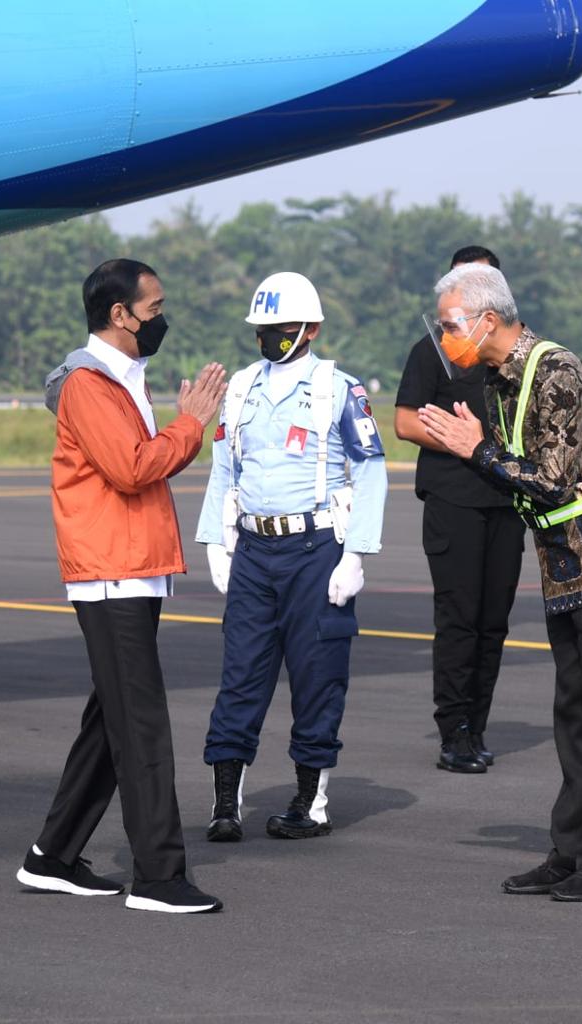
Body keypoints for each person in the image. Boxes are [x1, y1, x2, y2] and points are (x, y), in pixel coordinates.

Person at [419, 264, 582, 902]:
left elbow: (553, 479)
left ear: (488, 320)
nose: (446, 339)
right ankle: (571, 848)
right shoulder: (500, 377)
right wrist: (478, 449)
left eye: (451, 326)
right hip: (567, 563)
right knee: (574, 714)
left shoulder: (552, 370)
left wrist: (477, 450)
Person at [16, 259, 227, 914]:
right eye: (154, 308)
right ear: (119, 315)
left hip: (128, 567)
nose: (161, 317)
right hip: (111, 572)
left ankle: (52, 856)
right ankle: (160, 877)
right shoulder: (89, 383)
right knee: (140, 726)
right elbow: (132, 468)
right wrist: (190, 423)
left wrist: (184, 425)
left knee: (112, 719)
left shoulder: (118, 378)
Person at [196, 271, 387, 841]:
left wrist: (356, 554)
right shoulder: (241, 387)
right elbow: (224, 468)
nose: (271, 335)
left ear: (311, 329)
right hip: (253, 549)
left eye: (282, 326)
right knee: (241, 676)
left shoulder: (339, 388)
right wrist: (213, 540)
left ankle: (311, 803)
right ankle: (225, 805)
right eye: (264, 327)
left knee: (318, 675)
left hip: (314, 549)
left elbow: (371, 471)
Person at [395, 246, 524, 773]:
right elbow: (404, 422)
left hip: (507, 499)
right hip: (454, 499)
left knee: (494, 622)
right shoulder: (433, 351)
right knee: (459, 619)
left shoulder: (517, 357)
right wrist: (465, 443)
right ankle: (454, 731)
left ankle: (479, 723)